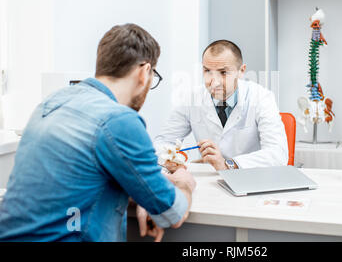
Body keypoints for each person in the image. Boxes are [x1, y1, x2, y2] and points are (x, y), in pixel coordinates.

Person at [0, 23, 196, 242]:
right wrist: (184, 182)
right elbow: (174, 213)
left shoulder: (50, 104)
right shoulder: (121, 121)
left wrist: (144, 195)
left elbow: (77, 184)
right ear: (144, 72)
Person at [155, 40, 288, 171]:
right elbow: (163, 142)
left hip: (251, 179)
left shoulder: (261, 97)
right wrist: (168, 160)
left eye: (223, 73)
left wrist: (228, 164)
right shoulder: (192, 99)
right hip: (210, 180)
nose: (214, 82)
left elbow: (278, 154)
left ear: (241, 71)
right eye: (207, 71)